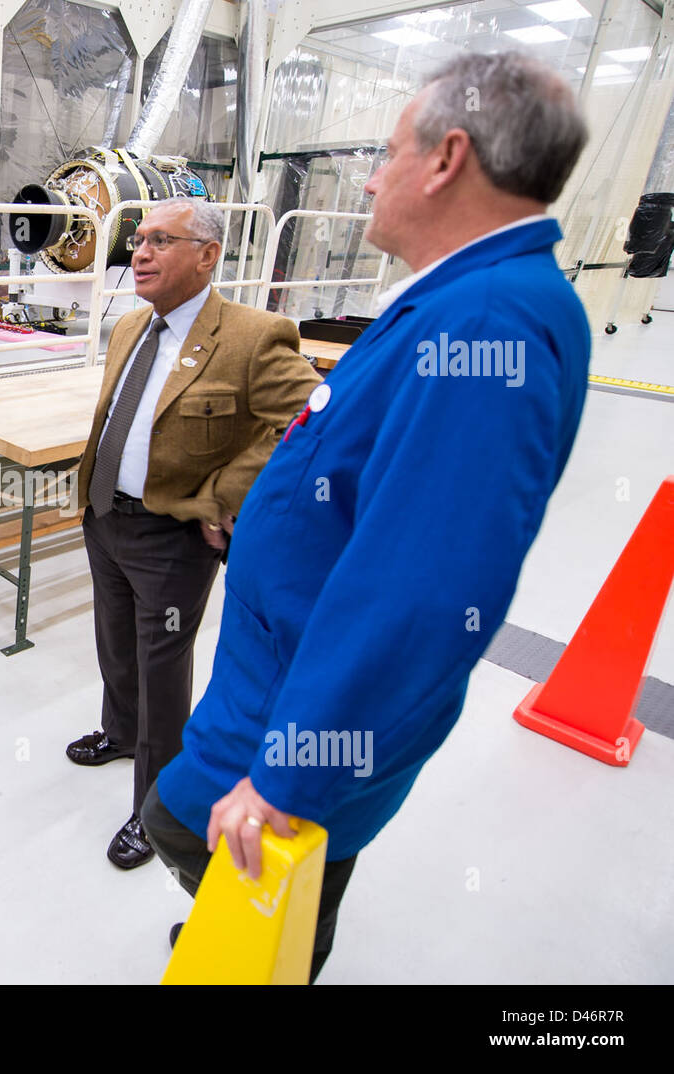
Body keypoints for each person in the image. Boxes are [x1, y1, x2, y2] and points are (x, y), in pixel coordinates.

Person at [144, 51, 590, 980]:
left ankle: (269, 955)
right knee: (229, 852)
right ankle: (251, 941)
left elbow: (422, 594)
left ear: (446, 158)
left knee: (192, 829)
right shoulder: (454, 299)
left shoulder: (489, 326)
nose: (373, 176)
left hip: (301, 709)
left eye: (388, 153)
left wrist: (286, 780)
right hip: (283, 675)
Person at [68, 197, 323, 869]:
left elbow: (311, 415)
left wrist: (223, 494)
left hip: (171, 537)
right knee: (114, 645)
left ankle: (156, 807)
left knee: (160, 671)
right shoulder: (129, 327)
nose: (140, 252)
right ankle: (120, 732)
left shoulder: (253, 335)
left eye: (160, 240)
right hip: (105, 518)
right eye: (139, 239)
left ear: (208, 255)